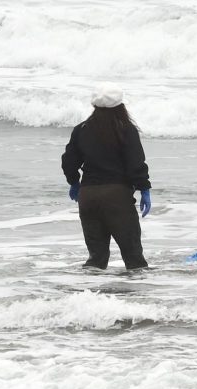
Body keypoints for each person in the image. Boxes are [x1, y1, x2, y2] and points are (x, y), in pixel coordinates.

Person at [61, 83, 152, 269]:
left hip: (88, 197)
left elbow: (69, 161)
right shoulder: (126, 129)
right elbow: (136, 163)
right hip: (116, 197)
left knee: (96, 258)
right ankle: (138, 297)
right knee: (134, 259)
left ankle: (88, 296)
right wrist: (144, 189)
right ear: (120, 106)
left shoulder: (82, 129)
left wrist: (74, 183)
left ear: (95, 106)